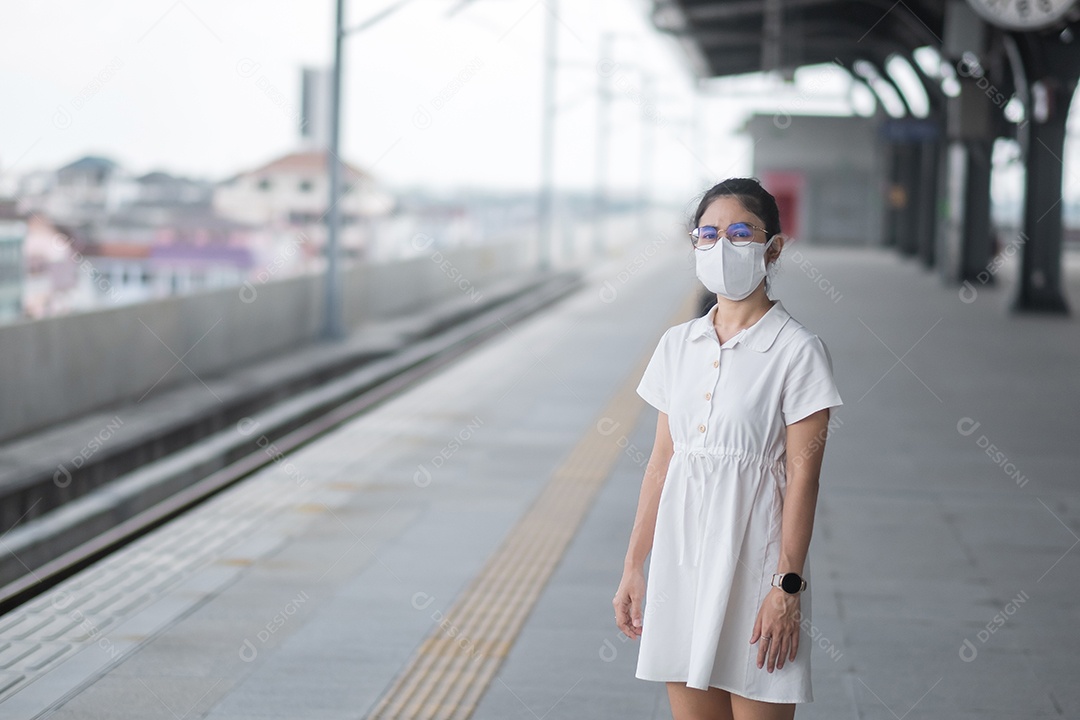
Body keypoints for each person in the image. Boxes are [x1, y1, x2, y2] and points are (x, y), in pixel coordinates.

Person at [612, 178, 843, 720]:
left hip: (758, 569)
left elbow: (804, 480)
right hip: (680, 564)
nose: (722, 247)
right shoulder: (678, 345)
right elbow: (662, 464)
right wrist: (633, 566)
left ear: (773, 248)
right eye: (708, 235)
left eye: (740, 233)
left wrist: (787, 586)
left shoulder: (799, 352)